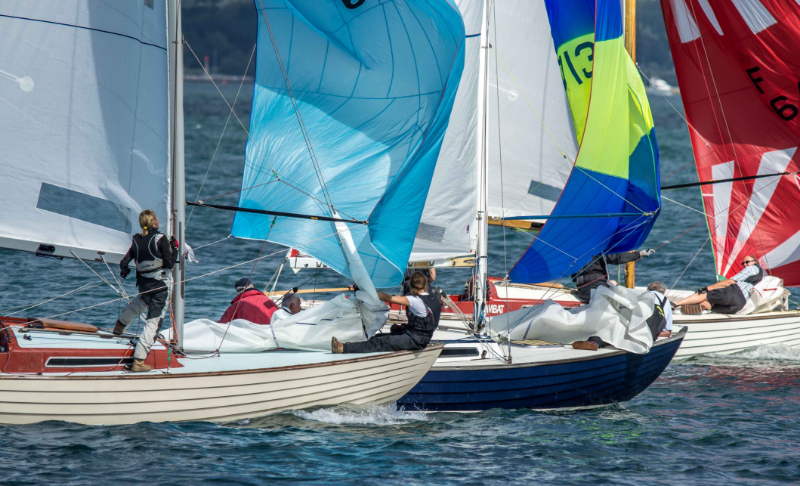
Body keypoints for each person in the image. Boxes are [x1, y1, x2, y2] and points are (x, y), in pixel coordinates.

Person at [112, 210, 178, 372]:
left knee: (140, 303)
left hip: (144, 285)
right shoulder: (161, 238)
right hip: (161, 286)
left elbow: (124, 262)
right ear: (154, 222)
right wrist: (175, 249)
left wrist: (124, 271)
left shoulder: (136, 239)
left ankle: (119, 327)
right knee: (153, 322)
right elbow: (169, 264)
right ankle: (139, 361)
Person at [332, 271, 440, 354]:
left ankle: (343, 348)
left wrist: (364, 291)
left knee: (379, 342)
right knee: (378, 337)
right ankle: (353, 347)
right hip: (420, 337)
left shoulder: (415, 300)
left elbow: (388, 298)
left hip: (416, 340)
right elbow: (425, 323)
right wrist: (403, 328)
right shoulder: (433, 298)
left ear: (411, 285)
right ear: (425, 285)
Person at [571, 281, 673, 352]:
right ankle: (625, 340)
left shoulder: (641, 294)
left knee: (616, 328)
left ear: (648, 289)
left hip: (634, 312)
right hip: (651, 318)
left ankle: (594, 341)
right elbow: (667, 332)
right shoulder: (664, 300)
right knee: (629, 334)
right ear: (662, 292)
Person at [675, 255, 763, 315]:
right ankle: (702, 306)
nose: (745, 265)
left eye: (747, 262)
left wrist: (707, 289)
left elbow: (730, 282)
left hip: (734, 293)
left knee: (703, 295)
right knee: (711, 305)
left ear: (755, 261)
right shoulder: (760, 277)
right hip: (739, 305)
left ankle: (675, 304)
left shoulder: (752, 268)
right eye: (743, 263)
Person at [571, 249, 656, 303]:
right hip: (598, 290)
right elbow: (617, 257)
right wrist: (640, 254)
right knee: (617, 287)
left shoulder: (573, 254)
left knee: (612, 284)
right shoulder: (596, 250)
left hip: (583, 292)